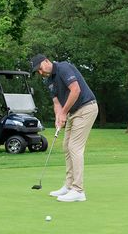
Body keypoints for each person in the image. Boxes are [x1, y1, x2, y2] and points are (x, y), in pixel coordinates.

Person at [30, 54, 98, 202]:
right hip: (73, 112)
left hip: (86, 108)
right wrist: (58, 117)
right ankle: (68, 186)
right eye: (38, 71)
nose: (40, 73)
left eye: (40, 68)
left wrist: (64, 112)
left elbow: (75, 90)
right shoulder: (49, 81)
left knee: (75, 147)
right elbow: (56, 103)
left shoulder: (63, 68)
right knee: (66, 146)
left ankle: (78, 190)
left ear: (46, 61)